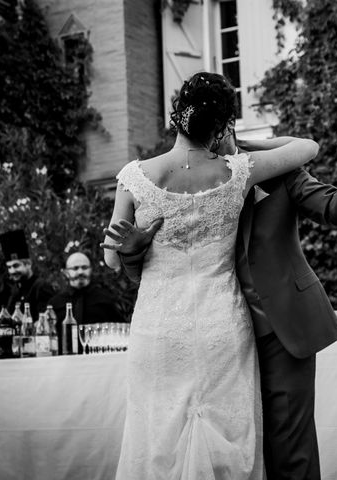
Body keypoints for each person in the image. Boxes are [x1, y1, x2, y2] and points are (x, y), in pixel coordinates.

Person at [110, 112, 337, 478]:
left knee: (289, 452)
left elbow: (334, 211)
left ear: (226, 127)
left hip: (277, 331)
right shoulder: (171, 176)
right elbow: (151, 267)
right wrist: (130, 250)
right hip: (214, 342)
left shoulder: (275, 166)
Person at [102, 71, 320, 479]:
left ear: (175, 114)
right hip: (222, 326)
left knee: (157, 439)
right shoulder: (237, 171)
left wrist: (128, 248)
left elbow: (113, 260)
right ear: (221, 125)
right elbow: (307, 146)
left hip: (158, 328)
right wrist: (242, 146)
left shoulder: (133, 177)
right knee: (226, 438)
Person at [49, 252, 126, 351]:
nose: (80, 272)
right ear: (66, 272)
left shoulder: (105, 299)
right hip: (63, 360)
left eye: (84, 267)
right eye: (75, 268)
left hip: (99, 360)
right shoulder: (54, 303)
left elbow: (120, 331)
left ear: (91, 270)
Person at [0, 229, 55, 321]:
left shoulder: (41, 287)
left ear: (28, 264)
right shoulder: (15, 290)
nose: (12, 271)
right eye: (9, 267)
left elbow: (45, 323)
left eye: (16, 266)